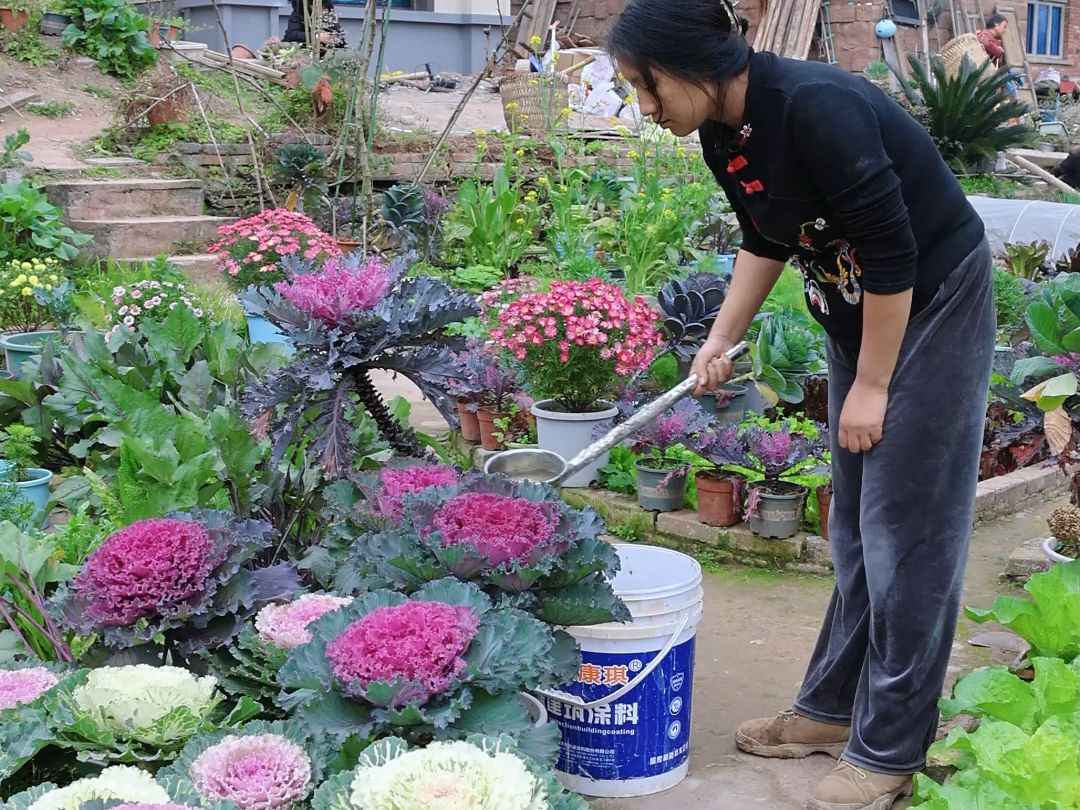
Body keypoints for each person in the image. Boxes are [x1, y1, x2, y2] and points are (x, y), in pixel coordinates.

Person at [608, 2, 994, 809]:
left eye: (647, 87)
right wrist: (719, 338)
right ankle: (831, 710)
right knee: (854, 527)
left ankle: (890, 749)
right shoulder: (723, 130)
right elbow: (767, 236)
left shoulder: (818, 107)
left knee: (907, 536)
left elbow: (895, 254)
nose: (645, 109)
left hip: (931, 303)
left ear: (694, 62)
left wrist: (876, 385)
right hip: (859, 311)